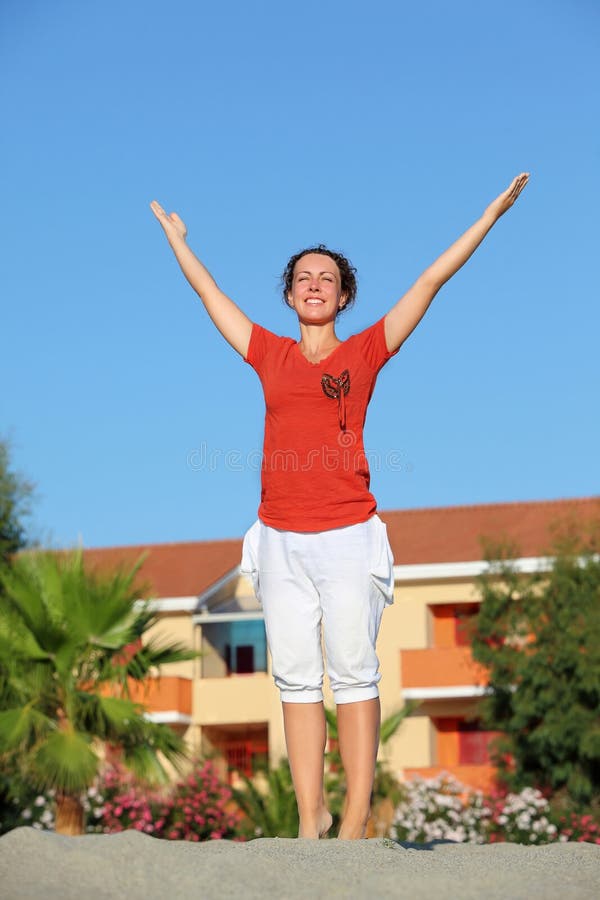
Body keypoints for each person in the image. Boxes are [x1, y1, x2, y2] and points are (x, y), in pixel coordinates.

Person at [150, 172, 530, 840]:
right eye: (304, 277)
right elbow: (210, 293)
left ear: (345, 294)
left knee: (353, 672)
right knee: (295, 681)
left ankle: (353, 815)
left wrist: (490, 215)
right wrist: (180, 242)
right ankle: (311, 816)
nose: (315, 284)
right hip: (278, 540)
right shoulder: (268, 353)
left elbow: (429, 283)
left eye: (327, 277)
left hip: (349, 535)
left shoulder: (365, 353)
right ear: (291, 294)